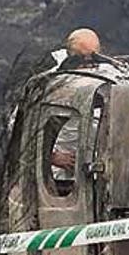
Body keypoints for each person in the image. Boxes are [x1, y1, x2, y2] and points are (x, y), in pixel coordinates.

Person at [50, 28, 103, 182]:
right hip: (60, 181)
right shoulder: (53, 85)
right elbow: (20, 126)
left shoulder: (107, 78)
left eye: (93, 57)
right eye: (82, 58)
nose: (88, 64)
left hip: (97, 175)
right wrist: (51, 157)